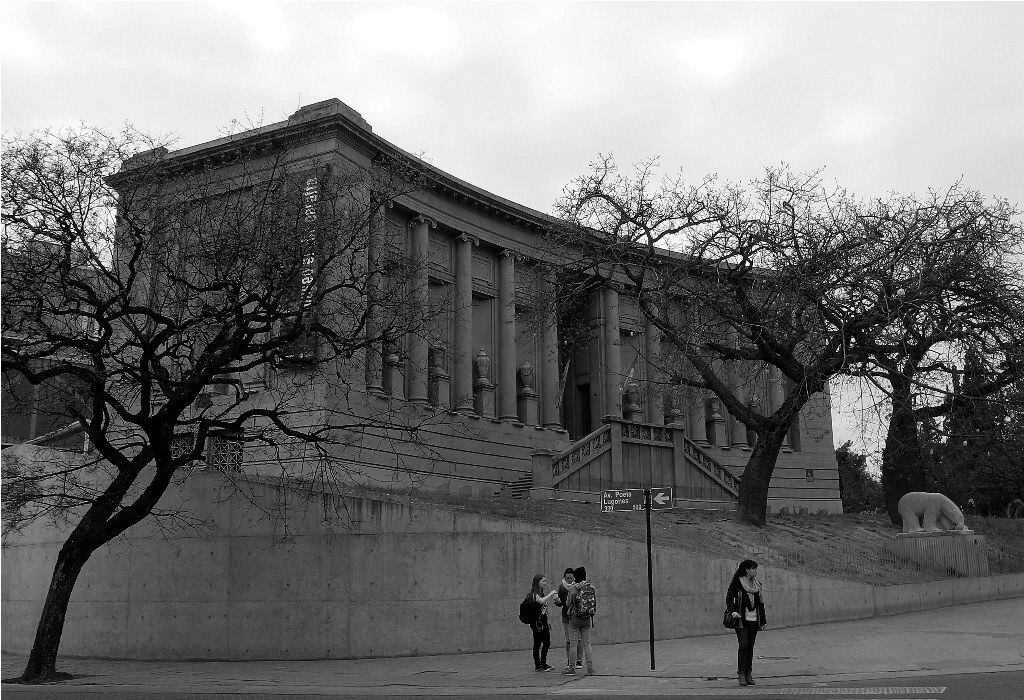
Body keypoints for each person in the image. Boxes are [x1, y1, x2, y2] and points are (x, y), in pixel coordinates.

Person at [726, 559, 767, 686]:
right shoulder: (737, 583)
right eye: (754, 569)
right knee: (743, 645)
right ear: (747, 570)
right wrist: (733, 611)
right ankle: (741, 674)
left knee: (750, 647)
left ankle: (749, 673)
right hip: (741, 621)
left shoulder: (757, 584)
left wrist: (763, 621)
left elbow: (760, 604)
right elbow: (729, 598)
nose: (756, 571)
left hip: (754, 621)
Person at [564, 566, 595, 676]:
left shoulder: (573, 588)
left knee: (573, 644)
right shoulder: (591, 587)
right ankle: (590, 669)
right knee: (587, 644)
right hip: (587, 618)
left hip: (575, 619)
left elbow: (568, 603)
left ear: (575, 577)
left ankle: (572, 668)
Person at [554, 567, 584, 672]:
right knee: (568, 640)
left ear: (574, 578)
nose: (569, 580)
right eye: (567, 578)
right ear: (564, 577)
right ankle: (570, 660)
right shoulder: (561, 587)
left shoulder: (578, 586)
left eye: (571, 578)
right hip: (566, 616)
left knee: (579, 639)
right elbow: (562, 603)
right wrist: (557, 601)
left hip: (577, 615)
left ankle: (579, 660)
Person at [529, 574, 559, 671]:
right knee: (537, 644)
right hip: (537, 623)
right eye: (543, 581)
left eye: (545, 581)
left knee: (546, 643)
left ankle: (543, 663)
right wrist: (551, 594)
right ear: (537, 583)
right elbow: (541, 601)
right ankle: (538, 666)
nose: (545, 583)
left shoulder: (540, 593)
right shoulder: (533, 594)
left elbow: (543, 609)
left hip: (543, 622)